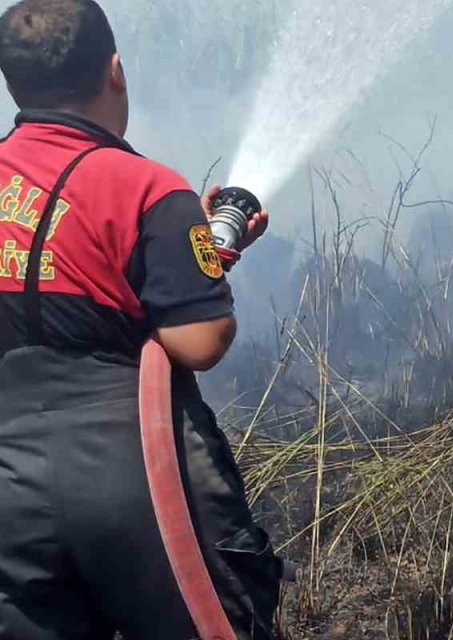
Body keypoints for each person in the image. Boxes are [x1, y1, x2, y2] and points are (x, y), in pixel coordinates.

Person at [0, 0, 284, 638]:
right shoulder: (149, 189)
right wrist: (206, 255)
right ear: (117, 70)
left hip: (9, 493)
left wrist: (204, 258)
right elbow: (199, 338)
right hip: (133, 481)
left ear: (11, 83)